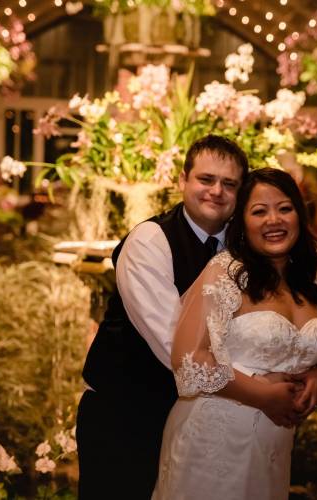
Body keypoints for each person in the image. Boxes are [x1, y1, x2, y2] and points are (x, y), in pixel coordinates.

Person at [152, 168, 317, 500]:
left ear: (299, 213)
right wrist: (263, 396)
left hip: (274, 448)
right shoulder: (226, 273)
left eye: (284, 208)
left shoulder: (310, 280)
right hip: (212, 442)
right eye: (259, 211)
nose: (273, 220)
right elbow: (189, 360)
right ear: (242, 223)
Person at [76, 135, 250, 499]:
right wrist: (260, 389)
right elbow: (177, 348)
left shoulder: (243, 249)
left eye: (229, 183)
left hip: (199, 422)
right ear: (182, 180)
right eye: (206, 179)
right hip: (125, 417)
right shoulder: (149, 241)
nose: (217, 191)